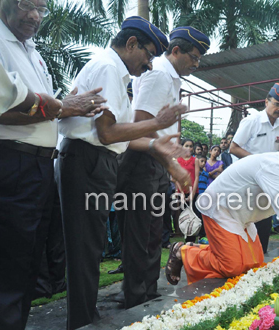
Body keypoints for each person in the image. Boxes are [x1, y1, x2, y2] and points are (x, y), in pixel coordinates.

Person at [0, 2, 109, 329]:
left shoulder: (30, 50)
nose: (34, 16)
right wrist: (62, 106)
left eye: (41, 9)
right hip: (0, 163)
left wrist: (60, 107)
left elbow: (41, 107)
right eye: (25, 5)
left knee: (23, 273)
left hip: (34, 169)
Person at [56, 16, 187, 329]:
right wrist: (157, 123)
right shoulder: (110, 67)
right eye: (148, 55)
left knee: (88, 248)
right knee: (85, 251)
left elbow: (113, 132)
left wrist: (157, 146)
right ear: (131, 44)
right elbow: (108, 133)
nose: (149, 64)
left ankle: (86, 318)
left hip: (93, 161)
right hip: (87, 159)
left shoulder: (110, 68)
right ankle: (84, 321)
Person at [116, 26, 211, 309]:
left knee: (153, 232)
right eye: (193, 58)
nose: (195, 64)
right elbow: (140, 125)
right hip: (143, 160)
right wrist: (172, 164)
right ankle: (135, 297)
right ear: (176, 51)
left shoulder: (173, 80)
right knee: (139, 233)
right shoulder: (159, 75)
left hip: (157, 162)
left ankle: (147, 291)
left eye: (199, 60)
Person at [165, 144, 279, 285]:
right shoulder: (275, 167)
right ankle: (183, 252)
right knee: (232, 266)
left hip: (242, 216)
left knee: (254, 264)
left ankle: (200, 248)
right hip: (220, 208)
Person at [230, 82, 279, 254]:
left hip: (268, 185)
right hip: (247, 183)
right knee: (244, 225)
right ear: (266, 102)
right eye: (277, 104)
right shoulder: (252, 121)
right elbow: (233, 148)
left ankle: (259, 265)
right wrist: (258, 163)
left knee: (263, 225)